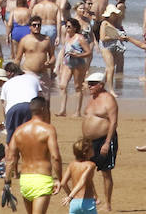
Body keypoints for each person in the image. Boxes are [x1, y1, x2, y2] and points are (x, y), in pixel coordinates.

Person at [6, 95, 62, 214]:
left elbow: (10, 158)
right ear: (43, 109)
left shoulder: (19, 131)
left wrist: (7, 182)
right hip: (42, 179)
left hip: (25, 180)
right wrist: (59, 179)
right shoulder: (48, 130)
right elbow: (55, 157)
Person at [80, 72, 118, 210]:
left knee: (105, 172)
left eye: (92, 84)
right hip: (88, 142)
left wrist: (107, 143)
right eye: (89, 83)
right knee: (85, 169)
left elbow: (113, 123)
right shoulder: (92, 98)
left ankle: (108, 203)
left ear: (101, 85)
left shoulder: (109, 99)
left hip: (104, 140)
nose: (89, 86)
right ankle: (95, 197)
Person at [59, 138, 99, 214]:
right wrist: (70, 196)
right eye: (91, 148)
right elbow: (82, 181)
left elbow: (63, 183)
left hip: (74, 203)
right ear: (85, 152)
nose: (93, 149)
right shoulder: (90, 165)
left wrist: (70, 195)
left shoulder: (72, 165)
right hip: (87, 202)